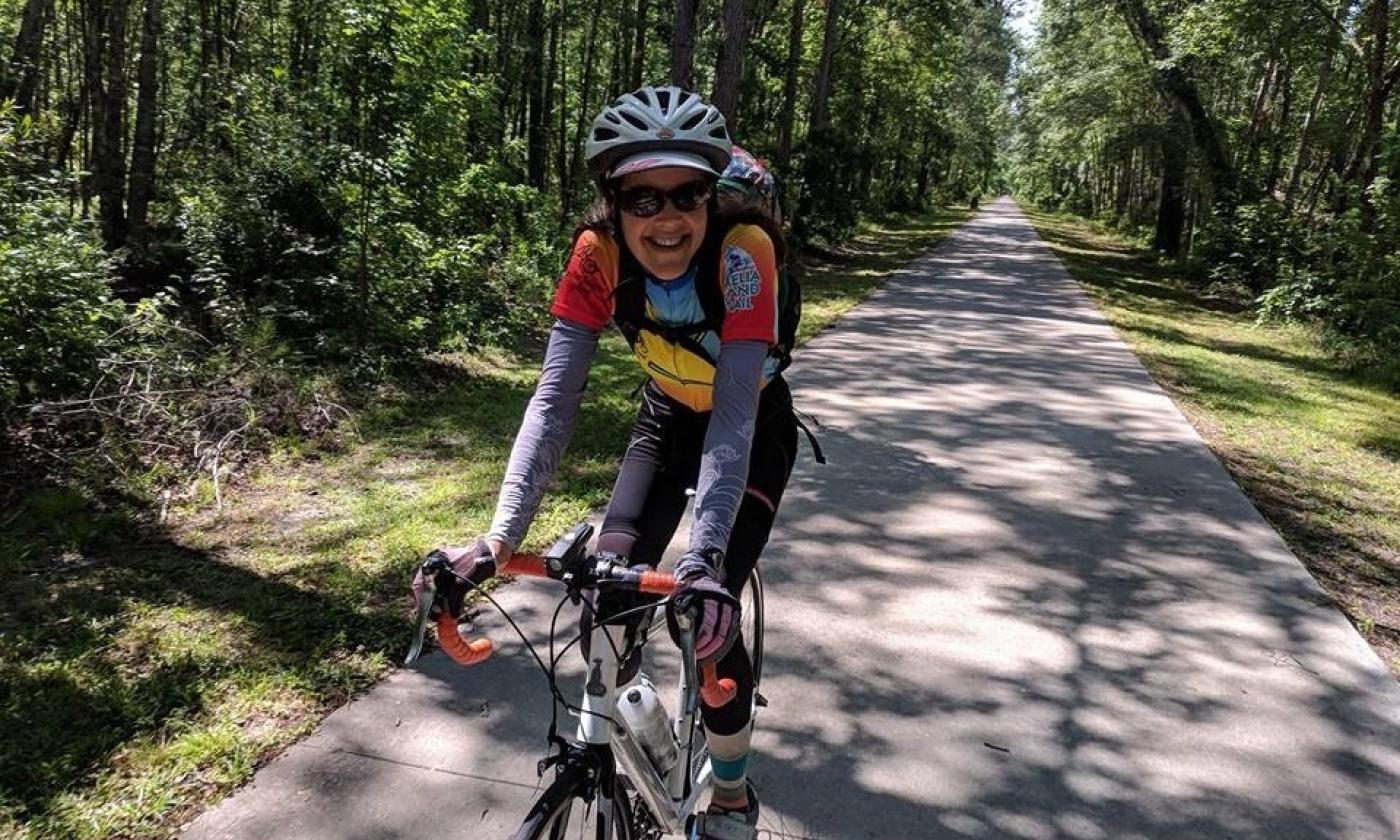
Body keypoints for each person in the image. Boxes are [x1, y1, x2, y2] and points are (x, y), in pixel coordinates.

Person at [413, 85, 798, 840]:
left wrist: (707, 560)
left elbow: (733, 415)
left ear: (710, 198)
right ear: (613, 202)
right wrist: (495, 542)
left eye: (686, 194)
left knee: (708, 624)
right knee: (606, 585)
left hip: (748, 426)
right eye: (641, 198)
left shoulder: (744, 254)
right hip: (663, 416)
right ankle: (622, 734)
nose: (666, 218)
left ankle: (729, 795)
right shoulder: (596, 258)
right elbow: (554, 401)